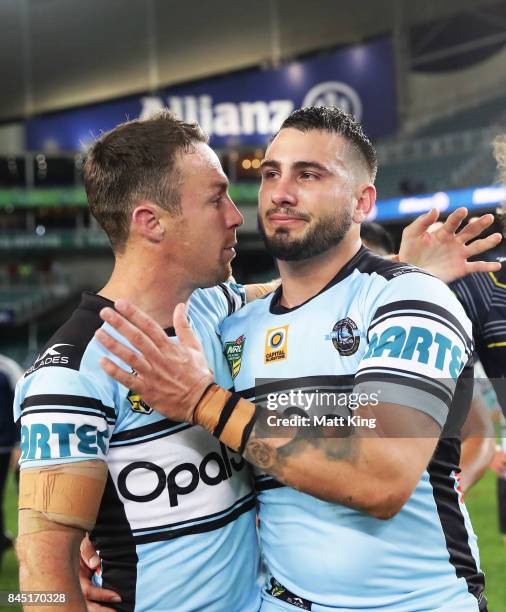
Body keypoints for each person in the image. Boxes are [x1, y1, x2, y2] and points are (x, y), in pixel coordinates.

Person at [96, 107, 501, 612]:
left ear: (362, 201)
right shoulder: (233, 327)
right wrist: (95, 551)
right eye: (270, 174)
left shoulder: (409, 300)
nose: (281, 192)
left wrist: (204, 401)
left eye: (309, 174)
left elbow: (381, 480)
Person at [14, 112, 263, 612]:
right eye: (216, 198)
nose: (236, 215)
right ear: (151, 221)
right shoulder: (72, 372)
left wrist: (393, 271)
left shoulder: (213, 307)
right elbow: (40, 567)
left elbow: (300, 294)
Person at [0, 353, 23, 568]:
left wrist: (19, 443)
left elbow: (22, 404)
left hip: (6, 447)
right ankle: (4, 540)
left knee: (24, 499)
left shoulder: (7, 367)